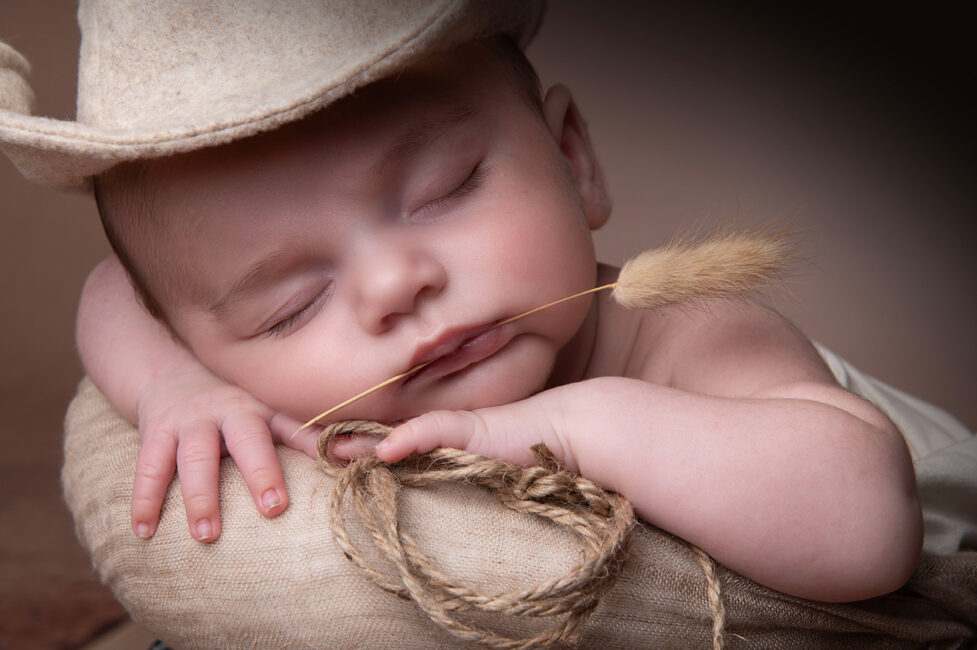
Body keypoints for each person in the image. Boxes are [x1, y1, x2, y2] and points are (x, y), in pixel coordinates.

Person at [1, 1, 933, 606]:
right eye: (291, 306)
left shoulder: (686, 335)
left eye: (445, 190)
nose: (395, 284)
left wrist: (564, 429)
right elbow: (116, 290)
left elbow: (866, 536)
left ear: (572, 160)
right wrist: (172, 387)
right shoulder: (201, 345)